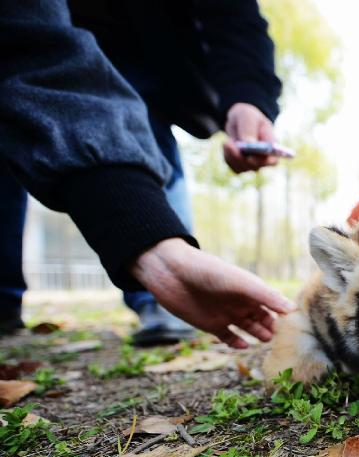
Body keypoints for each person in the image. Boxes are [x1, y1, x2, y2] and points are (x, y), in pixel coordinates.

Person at [0, 0, 293, 349]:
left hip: (141, 55)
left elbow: (233, 14)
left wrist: (248, 96)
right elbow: (25, 38)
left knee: (145, 133)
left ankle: (158, 296)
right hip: (41, 39)